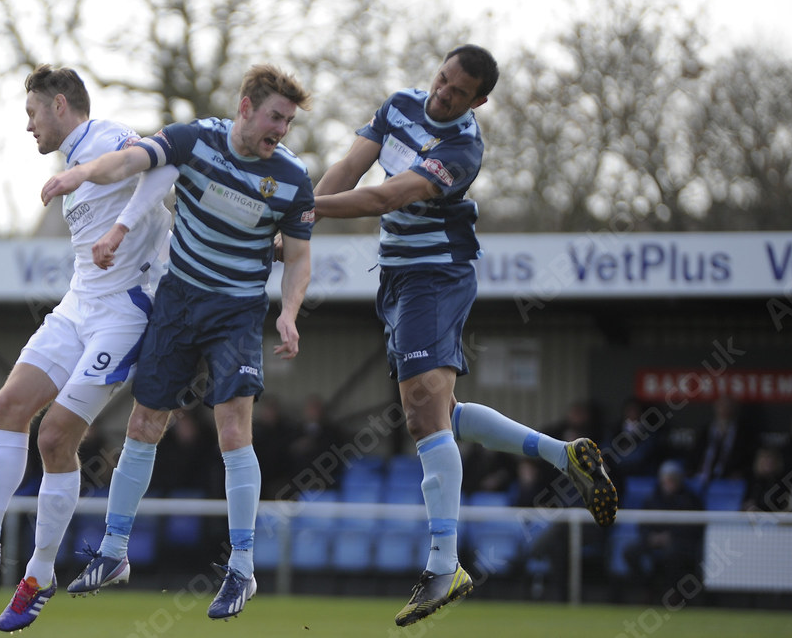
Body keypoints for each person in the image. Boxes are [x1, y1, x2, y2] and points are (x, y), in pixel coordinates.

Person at [310, 45, 618, 627]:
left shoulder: (462, 150)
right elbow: (350, 170)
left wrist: (305, 211)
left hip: (437, 274)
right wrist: (304, 223)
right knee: (439, 414)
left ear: (479, 101)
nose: (441, 93)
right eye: (442, 78)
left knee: (422, 413)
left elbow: (383, 196)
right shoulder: (399, 105)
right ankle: (563, 456)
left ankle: (444, 565)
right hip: (399, 277)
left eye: (457, 91)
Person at [39, 63, 314, 620]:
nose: (281, 129)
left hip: (236, 312)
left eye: (287, 121)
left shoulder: (291, 177)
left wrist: (288, 310)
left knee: (233, 429)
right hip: (177, 301)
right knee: (143, 424)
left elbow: (301, 253)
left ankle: (241, 568)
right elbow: (131, 161)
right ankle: (114, 553)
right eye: (274, 117)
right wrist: (77, 174)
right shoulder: (195, 139)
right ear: (245, 107)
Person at [0, 64, 176, 633]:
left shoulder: (109, 137)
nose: (29, 126)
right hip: (77, 307)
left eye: (32, 113)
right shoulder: (73, 159)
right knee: (9, 405)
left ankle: (38, 574)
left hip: (123, 316)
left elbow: (166, 166)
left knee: (55, 435)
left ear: (60, 105)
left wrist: (121, 229)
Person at [623, 460, 703, 595]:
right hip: (653, 539)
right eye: (667, 479)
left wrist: (671, 536)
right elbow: (643, 524)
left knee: (671, 556)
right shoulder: (652, 498)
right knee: (630, 552)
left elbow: (694, 527)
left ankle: (673, 594)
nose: (670, 483)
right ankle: (647, 588)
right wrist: (651, 537)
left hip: (680, 542)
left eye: (673, 479)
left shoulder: (690, 499)